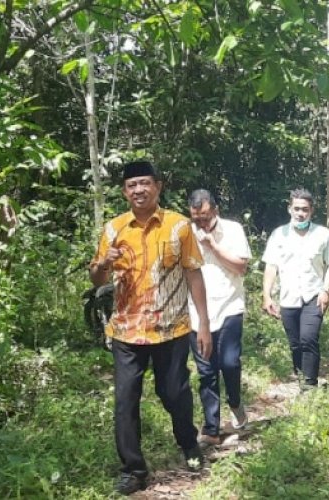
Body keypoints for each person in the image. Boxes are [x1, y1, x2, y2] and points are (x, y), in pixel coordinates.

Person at [89, 161, 212, 495]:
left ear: (158, 186)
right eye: (132, 185)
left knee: (173, 393)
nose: (138, 190)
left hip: (170, 329)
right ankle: (133, 469)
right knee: (125, 401)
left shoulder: (179, 226)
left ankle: (188, 443)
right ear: (124, 191)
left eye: (144, 183)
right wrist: (103, 263)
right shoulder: (114, 228)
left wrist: (203, 323)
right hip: (126, 331)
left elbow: (193, 273)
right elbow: (98, 279)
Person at [187, 189, 252, 446]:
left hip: (230, 306)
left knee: (230, 362)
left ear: (215, 210)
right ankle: (211, 429)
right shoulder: (185, 232)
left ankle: (235, 402)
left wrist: (212, 245)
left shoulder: (233, 230)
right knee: (206, 371)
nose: (201, 224)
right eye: (196, 219)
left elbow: (241, 267)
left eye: (205, 217)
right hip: (196, 312)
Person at [261, 188, 329, 389]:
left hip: (313, 295)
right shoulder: (279, 235)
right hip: (288, 297)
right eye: (296, 209)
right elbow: (271, 266)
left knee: (308, 338)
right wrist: (267, 296)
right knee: (295, 342)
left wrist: (326, 290)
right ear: (290, 209)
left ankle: (310, 384)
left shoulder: (323, 234)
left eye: (305, 209)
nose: (300, 213)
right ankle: (300, 375)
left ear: (311, 211)